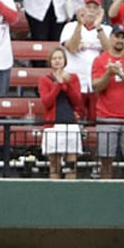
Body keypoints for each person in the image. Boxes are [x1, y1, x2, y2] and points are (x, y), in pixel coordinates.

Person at [92, 24, 124, 179]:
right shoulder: (100, 60)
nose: (120, 40)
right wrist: (109, 74)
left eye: (123, 37)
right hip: (107, 117)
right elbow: (96, 86)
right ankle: (105, 193)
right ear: (111, 37)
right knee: (106, 161)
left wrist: (122, 74)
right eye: (117, 36)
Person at [39, 45, 84, 179]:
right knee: (54, 163)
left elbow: (77, 100)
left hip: (70, 124)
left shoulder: (73, 78)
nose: (57, 61)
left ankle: (70, 190)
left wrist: (67, 83)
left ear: (65, 60)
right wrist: (57, 85)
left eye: (60, 58)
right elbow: (47, 102)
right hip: (52, 125)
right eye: (54, 59)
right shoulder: (44, 80)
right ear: (50, 61)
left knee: (71, 162)